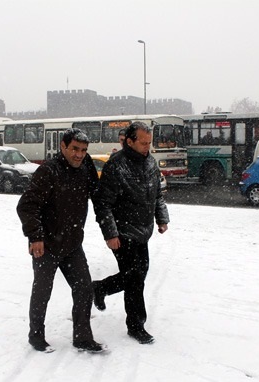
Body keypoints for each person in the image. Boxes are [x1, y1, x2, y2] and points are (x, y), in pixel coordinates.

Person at [16, 128, 106, 353]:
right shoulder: (48, 171)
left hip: (73, 244)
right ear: (63, 147)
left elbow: (99, 195)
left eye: (83, 150)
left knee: (84, 289)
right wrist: (36, 237)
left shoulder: (86, 168)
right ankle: (36, 336)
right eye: (74, 149)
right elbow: (27, 205)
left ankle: (82, 337)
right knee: (42, 291)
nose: (79, 154)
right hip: (46, 244)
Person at [92, 121, 169, 345]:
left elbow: (157, 195)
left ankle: (100, 287)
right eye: (143, 143)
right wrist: (110, 234)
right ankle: (136, 326)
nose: (148, 147)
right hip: (122, 232)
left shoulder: (151, 164)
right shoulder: (116, 166)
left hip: (143, 231)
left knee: (138, 275)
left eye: (149, 143)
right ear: (129, 141)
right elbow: (103, 204)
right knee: (135, 279)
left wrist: (161, 218)